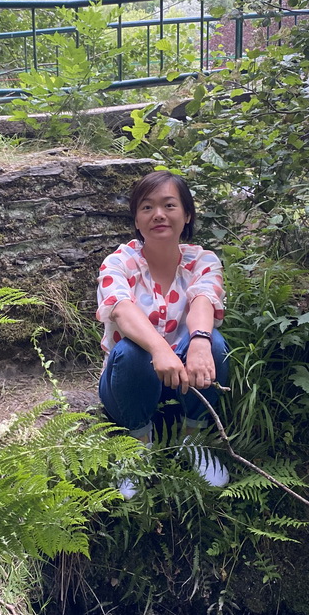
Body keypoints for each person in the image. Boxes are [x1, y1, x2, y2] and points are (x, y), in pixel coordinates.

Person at [96, 170, 230, 496]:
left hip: (187, 382)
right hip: (129, 383)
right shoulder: (119, 262)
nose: (158, 214)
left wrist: (198, 340)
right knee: (130, 352)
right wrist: (160, 349)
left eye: (169, 205)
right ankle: (136, 448)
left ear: (187, 215)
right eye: (147, 207)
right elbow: (122, 310)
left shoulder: (203, 261)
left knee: (213, 342)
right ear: (137, 221)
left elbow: (204, 299)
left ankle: (193, 440)